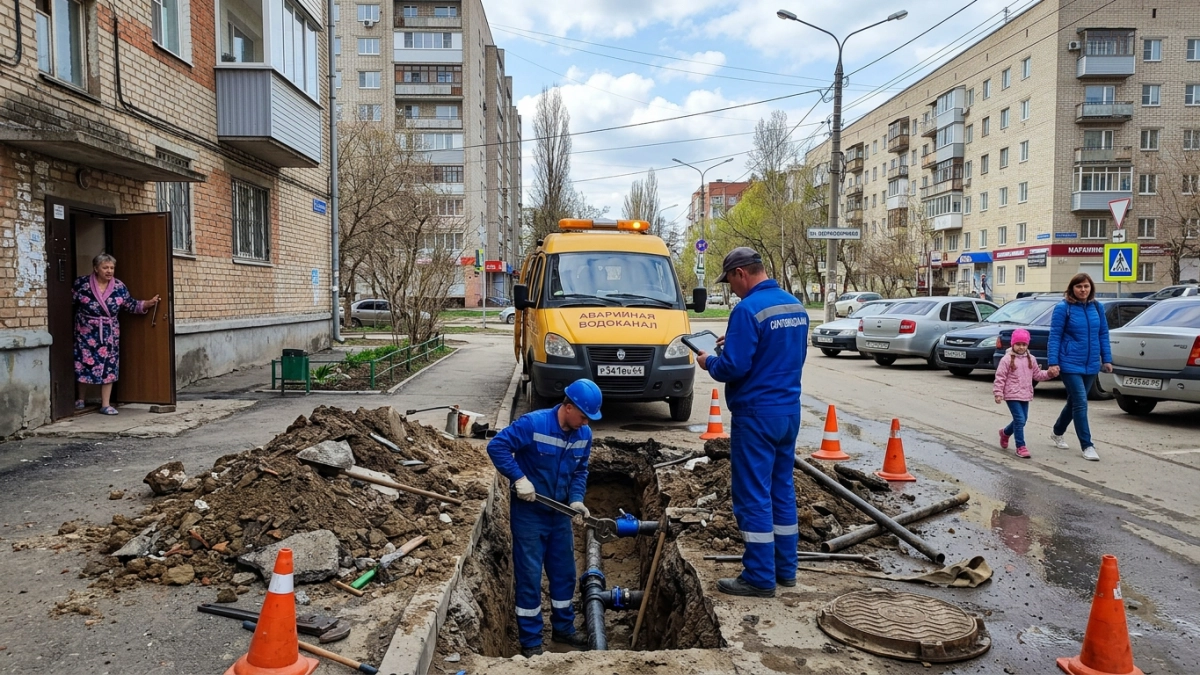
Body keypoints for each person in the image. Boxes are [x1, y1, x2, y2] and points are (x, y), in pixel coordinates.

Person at [696, 247, 809, 598]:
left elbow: (734, 368)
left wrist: (709, 362)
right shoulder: (794, 306)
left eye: (730, 281)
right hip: (788, 412)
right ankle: (784, 570)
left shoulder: (746, 310)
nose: (731, 289)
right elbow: (782, 352)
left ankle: (759, 576)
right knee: (781, 490)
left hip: (756, 415)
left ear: (741, 273)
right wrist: (738, 344)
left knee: (752, 496)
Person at [485, 379, 602, 657]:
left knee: (564, 575)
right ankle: (531, 643)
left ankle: (563, 629)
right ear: (568, 407)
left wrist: (576, 499)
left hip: (559, 513)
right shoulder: (533, 424)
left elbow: (580, 471)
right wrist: (519, 478)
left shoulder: (584, 435)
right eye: (584, 416)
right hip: (529, 514)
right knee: (529, 577)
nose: (586, 423)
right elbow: (497, 447)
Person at [73, 253, 160, 415]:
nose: (109, 271)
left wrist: (147, 303)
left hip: (109, 333)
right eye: (105, 267)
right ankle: (80, 399)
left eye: (112, 268)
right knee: (82, 363)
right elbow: (68, 302)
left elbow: (130, 304)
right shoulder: (82, 284)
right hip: (85, 332)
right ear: (96, 268)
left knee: (109, 366)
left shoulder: (119, 287)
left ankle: (105, 404)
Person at [1046, 273, 1113, 461]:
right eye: (1079, 286)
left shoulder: (1097, 307)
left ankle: (1057, 432)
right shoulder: (1063, 308)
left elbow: (1103, 334)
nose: (1083, 290)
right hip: (1069, 363)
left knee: (1074, 402)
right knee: (1081, 402)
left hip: (1091, 363)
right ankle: (1087, 445)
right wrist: (1053, 363)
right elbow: (1055, 336)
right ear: (1072, 288)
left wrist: (1106, 359)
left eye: (1086, 286)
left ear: (1091, 288)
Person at [993, 329, 1053, 459]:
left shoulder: (1031, 359)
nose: (1021, 347)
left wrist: (1049, 373)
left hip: (1025, 394)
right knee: (1020, 419)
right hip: (1011, 394)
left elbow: (1037, 375)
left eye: (1024, 344)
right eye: (1018, 344)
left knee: (1022, 420)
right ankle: (1020, 446)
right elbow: (1000, 377)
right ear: (1013, 344)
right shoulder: (1006, 359)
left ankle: (1005, 433)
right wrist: (998, 392)